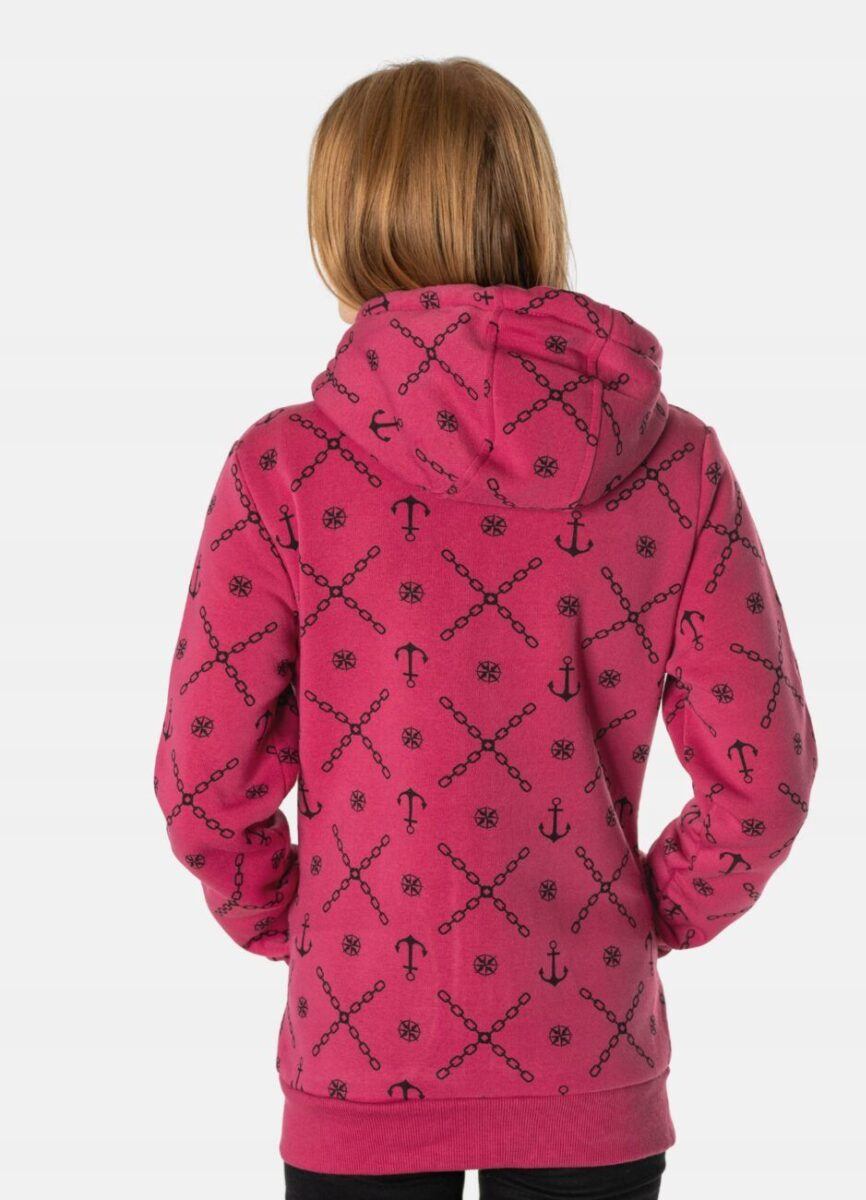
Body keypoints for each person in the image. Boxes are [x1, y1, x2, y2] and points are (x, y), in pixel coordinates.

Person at [152, 57, 817, 1200]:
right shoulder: (675, 463)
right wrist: (639, 919)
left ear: (343, 222)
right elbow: (766, 778)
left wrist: (297, 926)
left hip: (358, 1049)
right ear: (530, 206)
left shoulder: (283, 469)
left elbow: (204, 778)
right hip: (589, 1058)